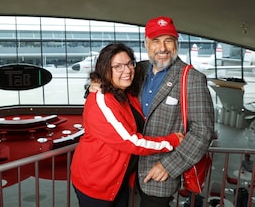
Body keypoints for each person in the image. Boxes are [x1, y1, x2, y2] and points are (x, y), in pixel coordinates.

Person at [88, 16, 215, 207]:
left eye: (168, 40)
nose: (162, 48)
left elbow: (202, 131)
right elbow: (111, 86)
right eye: (156, 41)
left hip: (160, 176)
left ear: (176, 44)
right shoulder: (138, 70)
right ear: (146, 44)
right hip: (127, 171)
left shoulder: (192, 79)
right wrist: (94, 85)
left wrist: (170, 166)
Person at [71, 43, 184, 207]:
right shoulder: (101, 100)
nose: (127, 70)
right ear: (105, 70)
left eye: (130, 63)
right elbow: (131, 142)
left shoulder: (126, 94)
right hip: (95, 183)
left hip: (118, 180)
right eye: (118, 66)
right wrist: (172, 141)